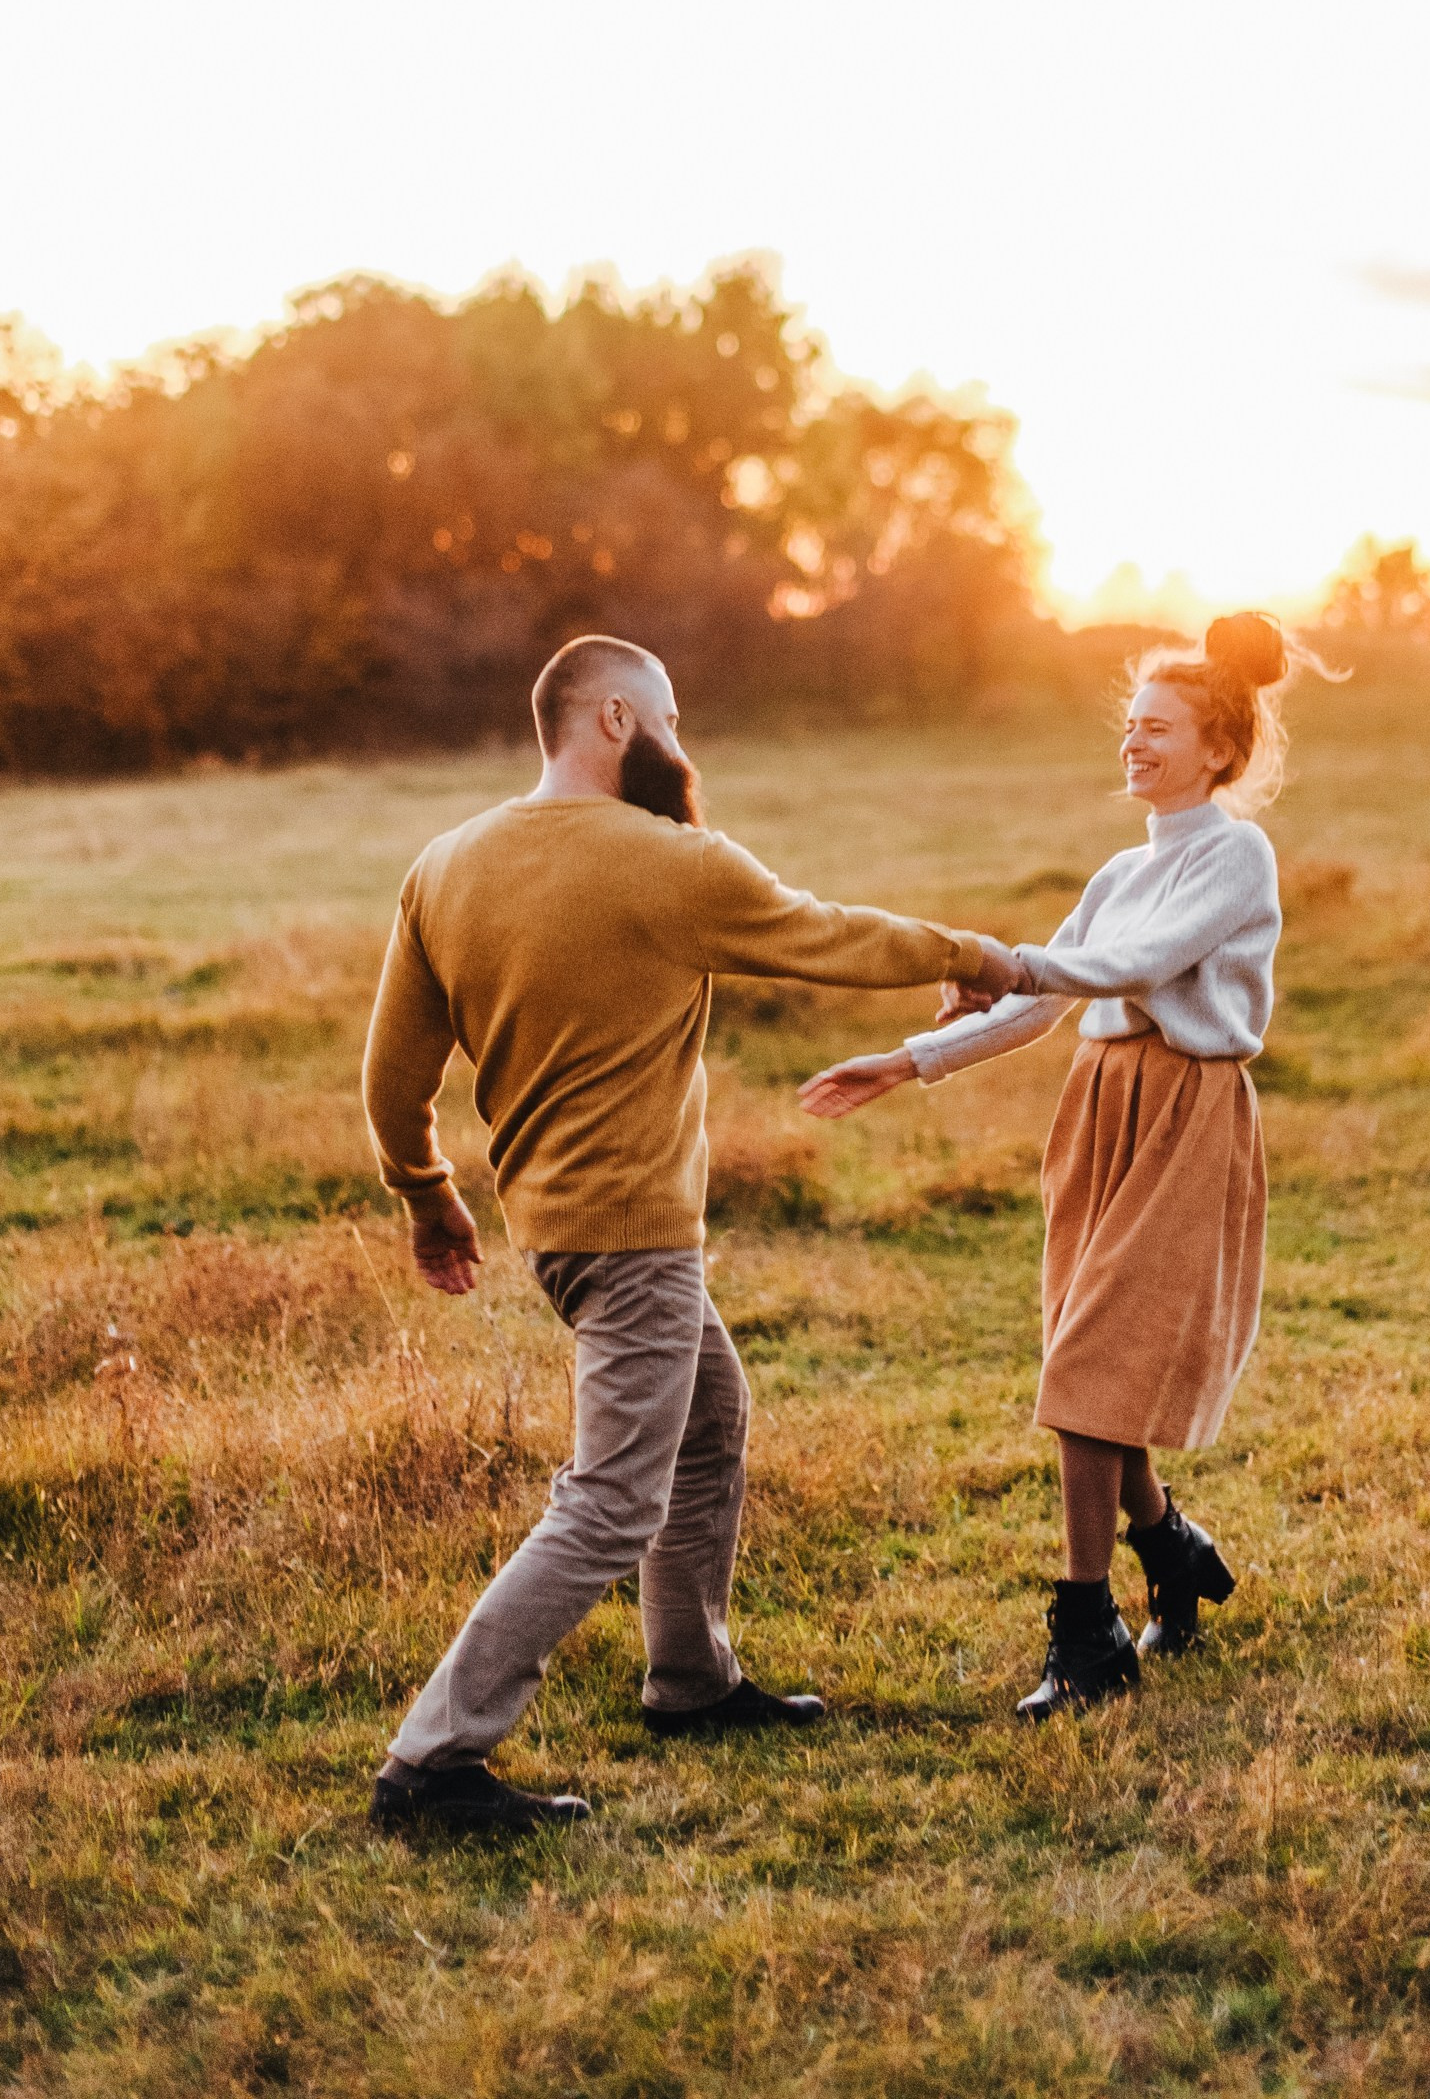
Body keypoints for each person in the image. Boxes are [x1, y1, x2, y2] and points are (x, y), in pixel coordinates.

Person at [359, 633, 1028, 1835]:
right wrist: (977, 955)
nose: (678, 743)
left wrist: (426, 1191)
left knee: (710, 1416)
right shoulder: (668, 861)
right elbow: (829, 932)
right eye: (667, 718)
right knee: (612, 1500)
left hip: (551, 1228)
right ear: (615, 718)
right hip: (632, 1233)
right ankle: (431, 1761)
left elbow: (391, 1076)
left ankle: (692, 1678)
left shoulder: (444, 863)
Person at [801, 613, 1307, 1719]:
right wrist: (909, 1059)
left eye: (1160, 727)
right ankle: (1170, 1548)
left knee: (1090, 1366)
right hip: (1099, 1108)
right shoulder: (1122, 869)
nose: (1136, 741)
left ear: (1219, 749)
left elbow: (1134, 963)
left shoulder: (1235, 854)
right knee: (1092, 1364)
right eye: (1131, 723)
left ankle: (1089, 1632)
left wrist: (1007, 958)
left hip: (1184, 1110)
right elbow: (1043, 1004)